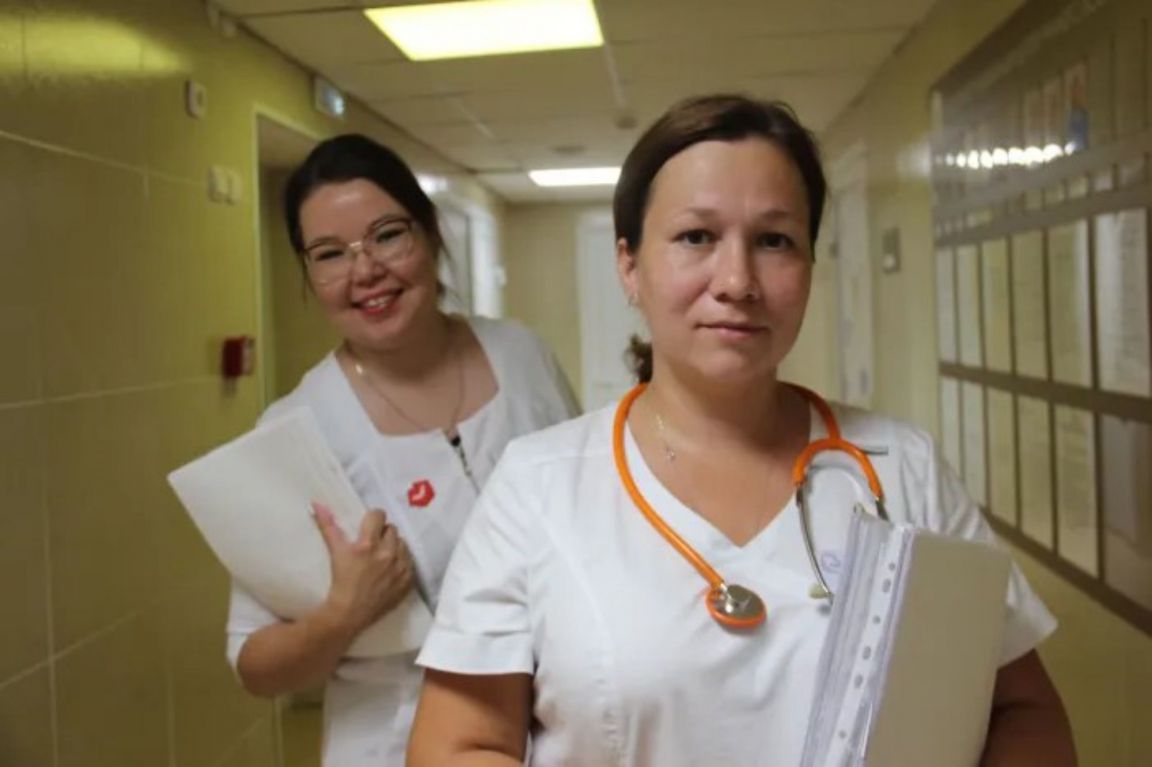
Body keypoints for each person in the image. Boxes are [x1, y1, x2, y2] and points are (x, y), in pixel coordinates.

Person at [407, 95, 1076, 766]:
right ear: (629, 264)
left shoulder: (901, 468)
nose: (737, 281)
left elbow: (1023, 711)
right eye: (696, 236)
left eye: (774, 241)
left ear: (809, 265)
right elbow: (456, 746)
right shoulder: (538, 486)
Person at [225, 133, 579, 766]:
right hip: (395, 745)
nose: (365, 272)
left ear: (430, 232)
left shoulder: (521, 357)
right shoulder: (297, 431)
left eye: (387, 236)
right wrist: (342, 614)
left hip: (562, 731)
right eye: (329, 254)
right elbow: (254, 664)